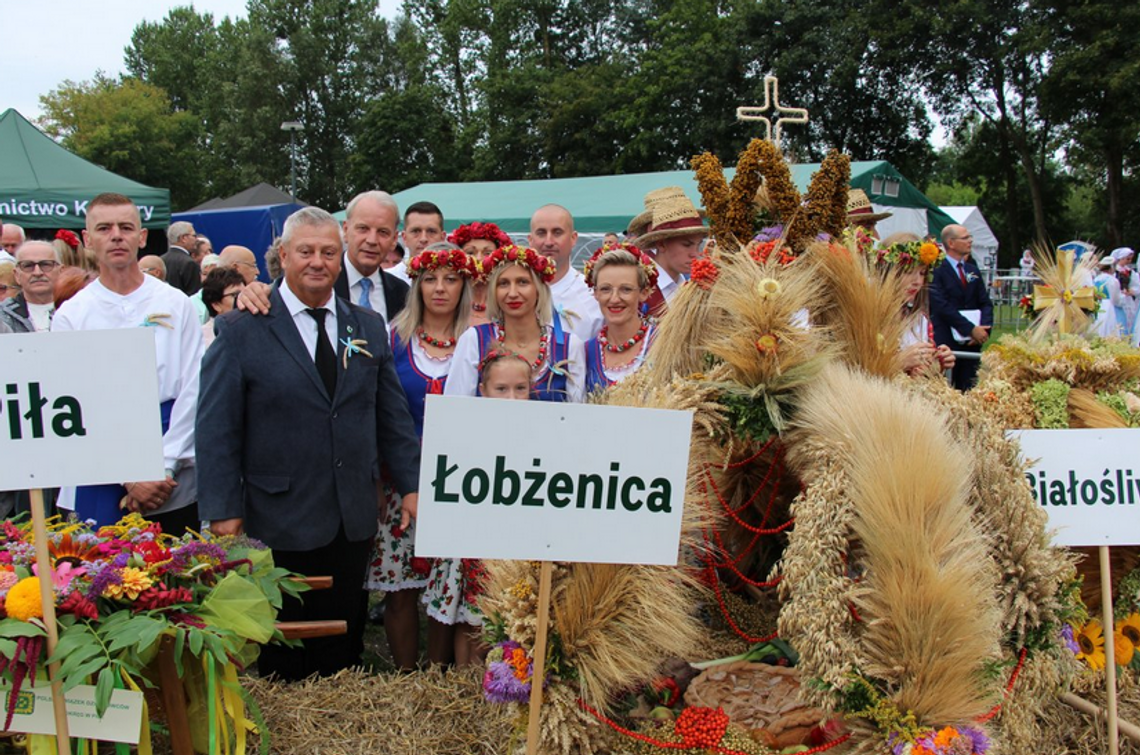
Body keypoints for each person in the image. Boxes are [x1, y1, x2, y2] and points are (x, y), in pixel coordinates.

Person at [196, 206, 421, 682]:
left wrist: (412, 485)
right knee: (285, 641)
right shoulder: (240, 329)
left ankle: (341, 701)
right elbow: (216, 428)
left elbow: (391, 416)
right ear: (283, 256)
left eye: (327, 252)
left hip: (351, 510)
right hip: (278, 511)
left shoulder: (367, 326)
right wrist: (222, 509)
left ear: (340, 258)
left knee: (345, 634)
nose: (317, 262)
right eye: (305, 252)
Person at [52, 193, 203, 532]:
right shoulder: (72, 315)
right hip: (98, 462)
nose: (116, 236)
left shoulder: (175, 303)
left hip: (171, 464)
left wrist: (163, 466)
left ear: (143, 236)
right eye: (104, 228)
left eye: (126, 227)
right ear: (88, 239)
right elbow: (72, 406)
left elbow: (194, 387)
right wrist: (129, 476)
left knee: (177, 576)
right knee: (102, 574)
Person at [367, 242, 474, 670]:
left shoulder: (478, 338)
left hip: (459, 481)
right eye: (430, 279)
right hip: (401, 481)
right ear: (416, 285)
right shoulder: (394, 337)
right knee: (400, 585)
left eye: (451, 279)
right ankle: (407, 674)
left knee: (448, 581)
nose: (440, 288)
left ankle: (440, 672)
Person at [423, 349, 530, 668]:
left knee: (506, 622)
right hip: (470, 543)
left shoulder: (540, 431)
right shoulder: (463, 431)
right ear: (482, 390)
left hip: (512, 548)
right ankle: (463, 684)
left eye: (520, 389)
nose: (512, 398)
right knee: (469, 622)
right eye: (501, 389)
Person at [237, 191, 410, 323]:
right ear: (346, 230)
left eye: (383, 232)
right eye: (363, 228)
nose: (372, 240)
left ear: (395, 239)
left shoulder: (404, 295)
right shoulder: (316, 277)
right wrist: (248, 294)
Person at [445, 244, 586, 402]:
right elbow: (455, 409)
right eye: (503, 283)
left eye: (523, 282)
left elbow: (578, 415)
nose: (512, 293)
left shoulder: (569, 346)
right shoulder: (473, 340)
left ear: (538, 289)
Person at [581, 243, 660, 393]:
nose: (615, 298)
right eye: (605, 289)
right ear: (596, 293)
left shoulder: (663, 343)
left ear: (644, 292)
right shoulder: (586, 352)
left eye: (626, 289)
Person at [873, 233, 956, 376]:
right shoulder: (867, 315)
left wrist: (938, 363)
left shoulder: (919, 319)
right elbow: (856, 368)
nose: (917, 281)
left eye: (922, 273)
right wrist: (900, 362)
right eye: (909, 272)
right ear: (887, 271)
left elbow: (922, 376)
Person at [929, 224, 993, 391]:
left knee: (969, 387)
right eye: (965, 238)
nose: (970, 241)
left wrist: (984, 329)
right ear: (951, 243)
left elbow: (985, 302)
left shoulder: (972, 270)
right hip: (948, 341)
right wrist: (970, 329)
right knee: (947, 388)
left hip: (972, 344)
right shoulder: (936, 270)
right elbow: (941, 305)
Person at [628, 187, 708, 317]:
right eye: (687, 245)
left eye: (698, 245)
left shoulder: (691, 286)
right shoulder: (635, 288)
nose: (696, 254)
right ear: (660, 244)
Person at [528, 204, 603, 342]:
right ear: (530, 240)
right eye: (541, 233)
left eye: (557, 233)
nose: (549, 242)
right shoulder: (515, 292)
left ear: (573, 238)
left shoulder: (592, 295)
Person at [448, 221, 513, 325]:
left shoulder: (510, 300)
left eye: (487, 253)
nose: (479, 258)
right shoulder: (448, 303)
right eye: (470, 253)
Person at [0, 241, 62, 332]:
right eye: (28, 266)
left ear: (60, 271)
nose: (37, 273)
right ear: (17, 275)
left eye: (45, 264)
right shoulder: (2, 316)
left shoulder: (77, 311)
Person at [396, 202, 447, 284]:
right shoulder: (388, 280)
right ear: (404, 238)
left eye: (431, 231)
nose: (423, 239)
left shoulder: (453, 281)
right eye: (416, 231)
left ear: (442, 238)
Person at [199, 267, 247, 349]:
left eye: (245, 293)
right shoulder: (203, 340)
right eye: (235, 295)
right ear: (216, 304)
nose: (244, 299)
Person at [162, 221, 202, 295]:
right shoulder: (189, 263)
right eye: (194, 236)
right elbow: (194, 296)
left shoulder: (161, 260)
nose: (197, 239)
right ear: (183, 238)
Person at [1093, 255, 1124, 338]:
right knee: (1110, 326)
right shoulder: (1112, 280)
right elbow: (1115, 299)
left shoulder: (1096, 279)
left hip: (1097, 305)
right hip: (1108, 305)